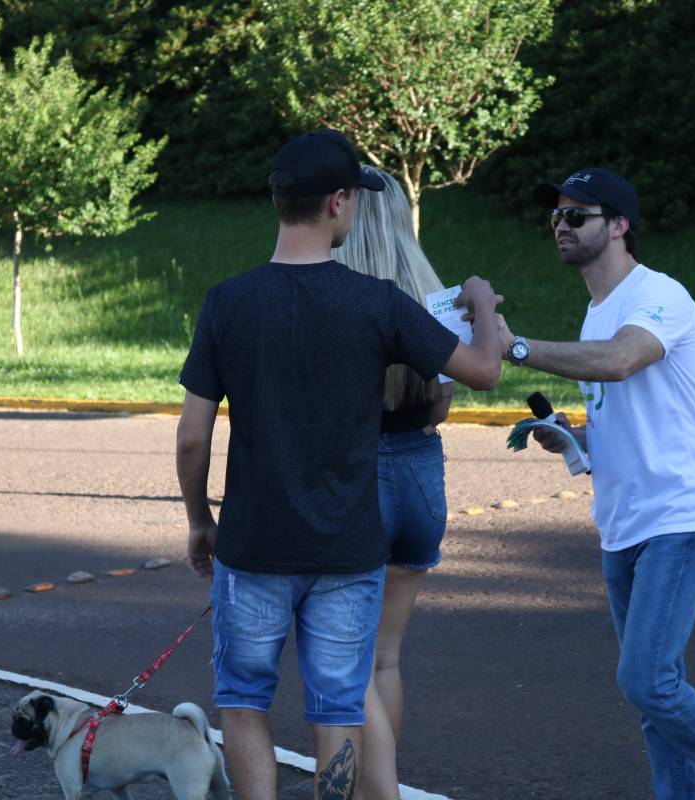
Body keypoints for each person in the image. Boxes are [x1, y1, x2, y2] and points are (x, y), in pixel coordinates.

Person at [176, 129, 503, 800]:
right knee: (337, 707)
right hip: (347, 551)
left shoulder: (227, 303)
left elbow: (191, 438)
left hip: (254, 544)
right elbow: (484, 371)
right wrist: (485, 302)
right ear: (338, 202)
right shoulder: (377, 303)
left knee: (243, 700)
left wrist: (200, 520)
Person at [494, 167, 695, 800]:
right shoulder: (595, 315)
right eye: (556, 216)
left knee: (647, 680)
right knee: (656, 694)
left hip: (676, 516)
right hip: (621, 522)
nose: (561, 226)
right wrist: (573, 437)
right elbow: (621, 419)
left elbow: (621, 360)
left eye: (577, 215)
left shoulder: (660, 295)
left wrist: (515, 348)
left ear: (620, 224)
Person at [330, 165, 452, 799]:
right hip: (421, 474)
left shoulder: (338, 295)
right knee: (386, 660)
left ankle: (377, 793)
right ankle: (378, 783)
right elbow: (442, 404)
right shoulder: (434, 295)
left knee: (342, 667)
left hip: (361, 477)